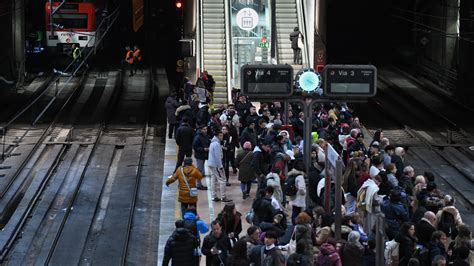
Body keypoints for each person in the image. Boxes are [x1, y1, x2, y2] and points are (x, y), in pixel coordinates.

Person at [208, 130, 231, 202]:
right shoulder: (217, 144)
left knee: (213, 179)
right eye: (220, 135)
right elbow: (217, 156)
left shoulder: (212, 143)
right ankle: (223, 197)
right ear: (217, 136)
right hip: (216, 164)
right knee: (223, 180)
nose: (222, 137)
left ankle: (213, 196)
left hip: (211, 163)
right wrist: (220, 166)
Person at [192, 125, 210, 190]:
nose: (205, 130)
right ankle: (198, 184)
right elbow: (195, 146)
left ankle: (199, 184)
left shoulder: (206, 136)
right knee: (199, 170)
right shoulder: (198, 137)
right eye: (204, 129)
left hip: (204, 155)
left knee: (201, 170)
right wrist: (203, 149)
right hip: (200, 156)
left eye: (206, 129)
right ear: (201, 130)